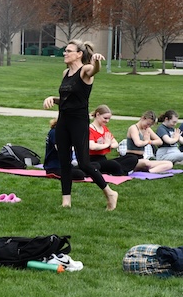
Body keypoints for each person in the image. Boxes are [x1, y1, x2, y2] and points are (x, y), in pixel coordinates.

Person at [42, 40, 118, 210]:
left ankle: (110, 193)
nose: (65, 53)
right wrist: (52, 99)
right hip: (63, 121)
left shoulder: (85, 70)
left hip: (79, 122)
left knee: (84, 163)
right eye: (65, 51)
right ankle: (66, 202)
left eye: (68, 51)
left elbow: (94, 70)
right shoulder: (65, 73)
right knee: (64, 161)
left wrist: (97, 60)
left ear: (79, 54)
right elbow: (66, 99)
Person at [87, 105, 138, 176]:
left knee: (133, 158)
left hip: (103, 159)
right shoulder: (89, 129)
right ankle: (120, 171)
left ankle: (118, 171)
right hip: (93, 160)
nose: (107, 121)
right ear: (98, 115)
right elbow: (92, 146)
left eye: (109, 119)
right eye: (105, 118)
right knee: (113, 164)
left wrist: (108, 144)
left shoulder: (104, 128)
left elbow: (115, 143)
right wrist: (106, 144)